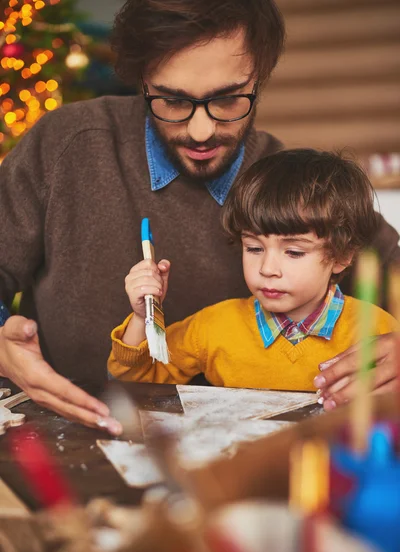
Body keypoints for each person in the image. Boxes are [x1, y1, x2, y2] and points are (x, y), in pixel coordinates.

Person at [0, 1, 399, 432]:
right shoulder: (65, 146)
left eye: (228, 98)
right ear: (142, 81)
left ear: (259, 78)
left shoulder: (289, 188)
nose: (201, 131)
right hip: (64, 442)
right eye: (172, 100)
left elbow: (389, 264)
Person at [107, 149, 398, 392]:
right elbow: (133, 382)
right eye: (254, 248)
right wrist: (142, 316)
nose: (267, 269)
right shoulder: (212, 328)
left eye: (294, 252)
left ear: (342, 257)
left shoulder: (377, 331)